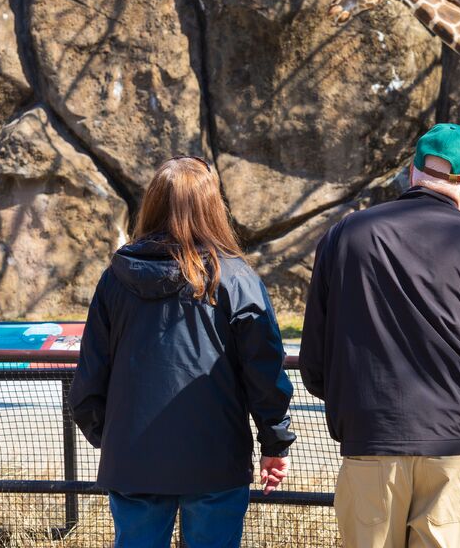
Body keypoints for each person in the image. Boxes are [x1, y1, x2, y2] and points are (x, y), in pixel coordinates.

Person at [299, 123, 460, 548]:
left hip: (368, 443)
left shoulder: (344, 236)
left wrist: (356, 409)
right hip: (455, 451)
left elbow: (315, 358)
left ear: (412, 172)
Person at [70, 156, 295, 548]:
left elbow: (89, 377)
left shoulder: (115, 279)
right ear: (213, 205)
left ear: (153, 203)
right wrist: (273, 442)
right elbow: (264, 369)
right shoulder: (236, 278)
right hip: (216, 460)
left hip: (133, 461)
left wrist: (114, 437)